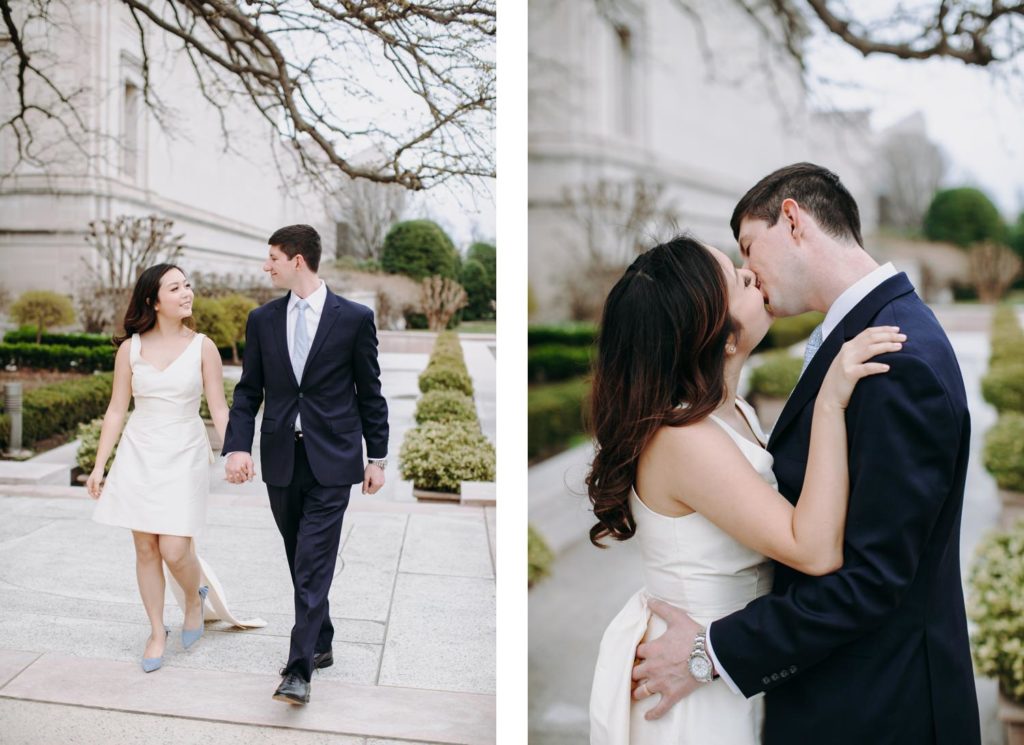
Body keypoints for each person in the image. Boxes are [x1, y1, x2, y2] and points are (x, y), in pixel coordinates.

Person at [630, 164, 980, 744]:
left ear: (791, 220)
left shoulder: (894, 359)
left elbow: (869, 580)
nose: (748, 271)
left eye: (748, 247)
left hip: (879, 710)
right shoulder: (862, 337)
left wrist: (711, 651)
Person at [586, 235, 903, 744]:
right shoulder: (682, 440)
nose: (753, 274)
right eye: (740, 281)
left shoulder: (728, 414)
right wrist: (830, 402)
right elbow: (813, 549)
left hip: (729, 666)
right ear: (723, 338)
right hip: (694, 690)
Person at [223, 224, 389, 706]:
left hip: (334, 458)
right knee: (301, 557)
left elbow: (370, 392)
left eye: (272, 256)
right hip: (281, 456)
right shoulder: (263, 319)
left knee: (313, 560)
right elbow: (249, 390)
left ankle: (299, 669)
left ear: (298, 259)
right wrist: (237, 445)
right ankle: (323, 638)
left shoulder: (354, 318)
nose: (265, 265)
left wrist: (376, 456)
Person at [90, 263, 263, 673]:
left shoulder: (203, 346)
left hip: (184, 450)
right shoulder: (129, 349)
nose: (187, 292)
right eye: (175, 287)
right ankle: (155, 630)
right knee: (145, 547)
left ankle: (192, 597)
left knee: (173, 547)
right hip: (139, 451)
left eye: (187, 284)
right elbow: (117, 410)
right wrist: (101, 466)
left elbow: (219, 407)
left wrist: (236, 451)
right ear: (153, 300)